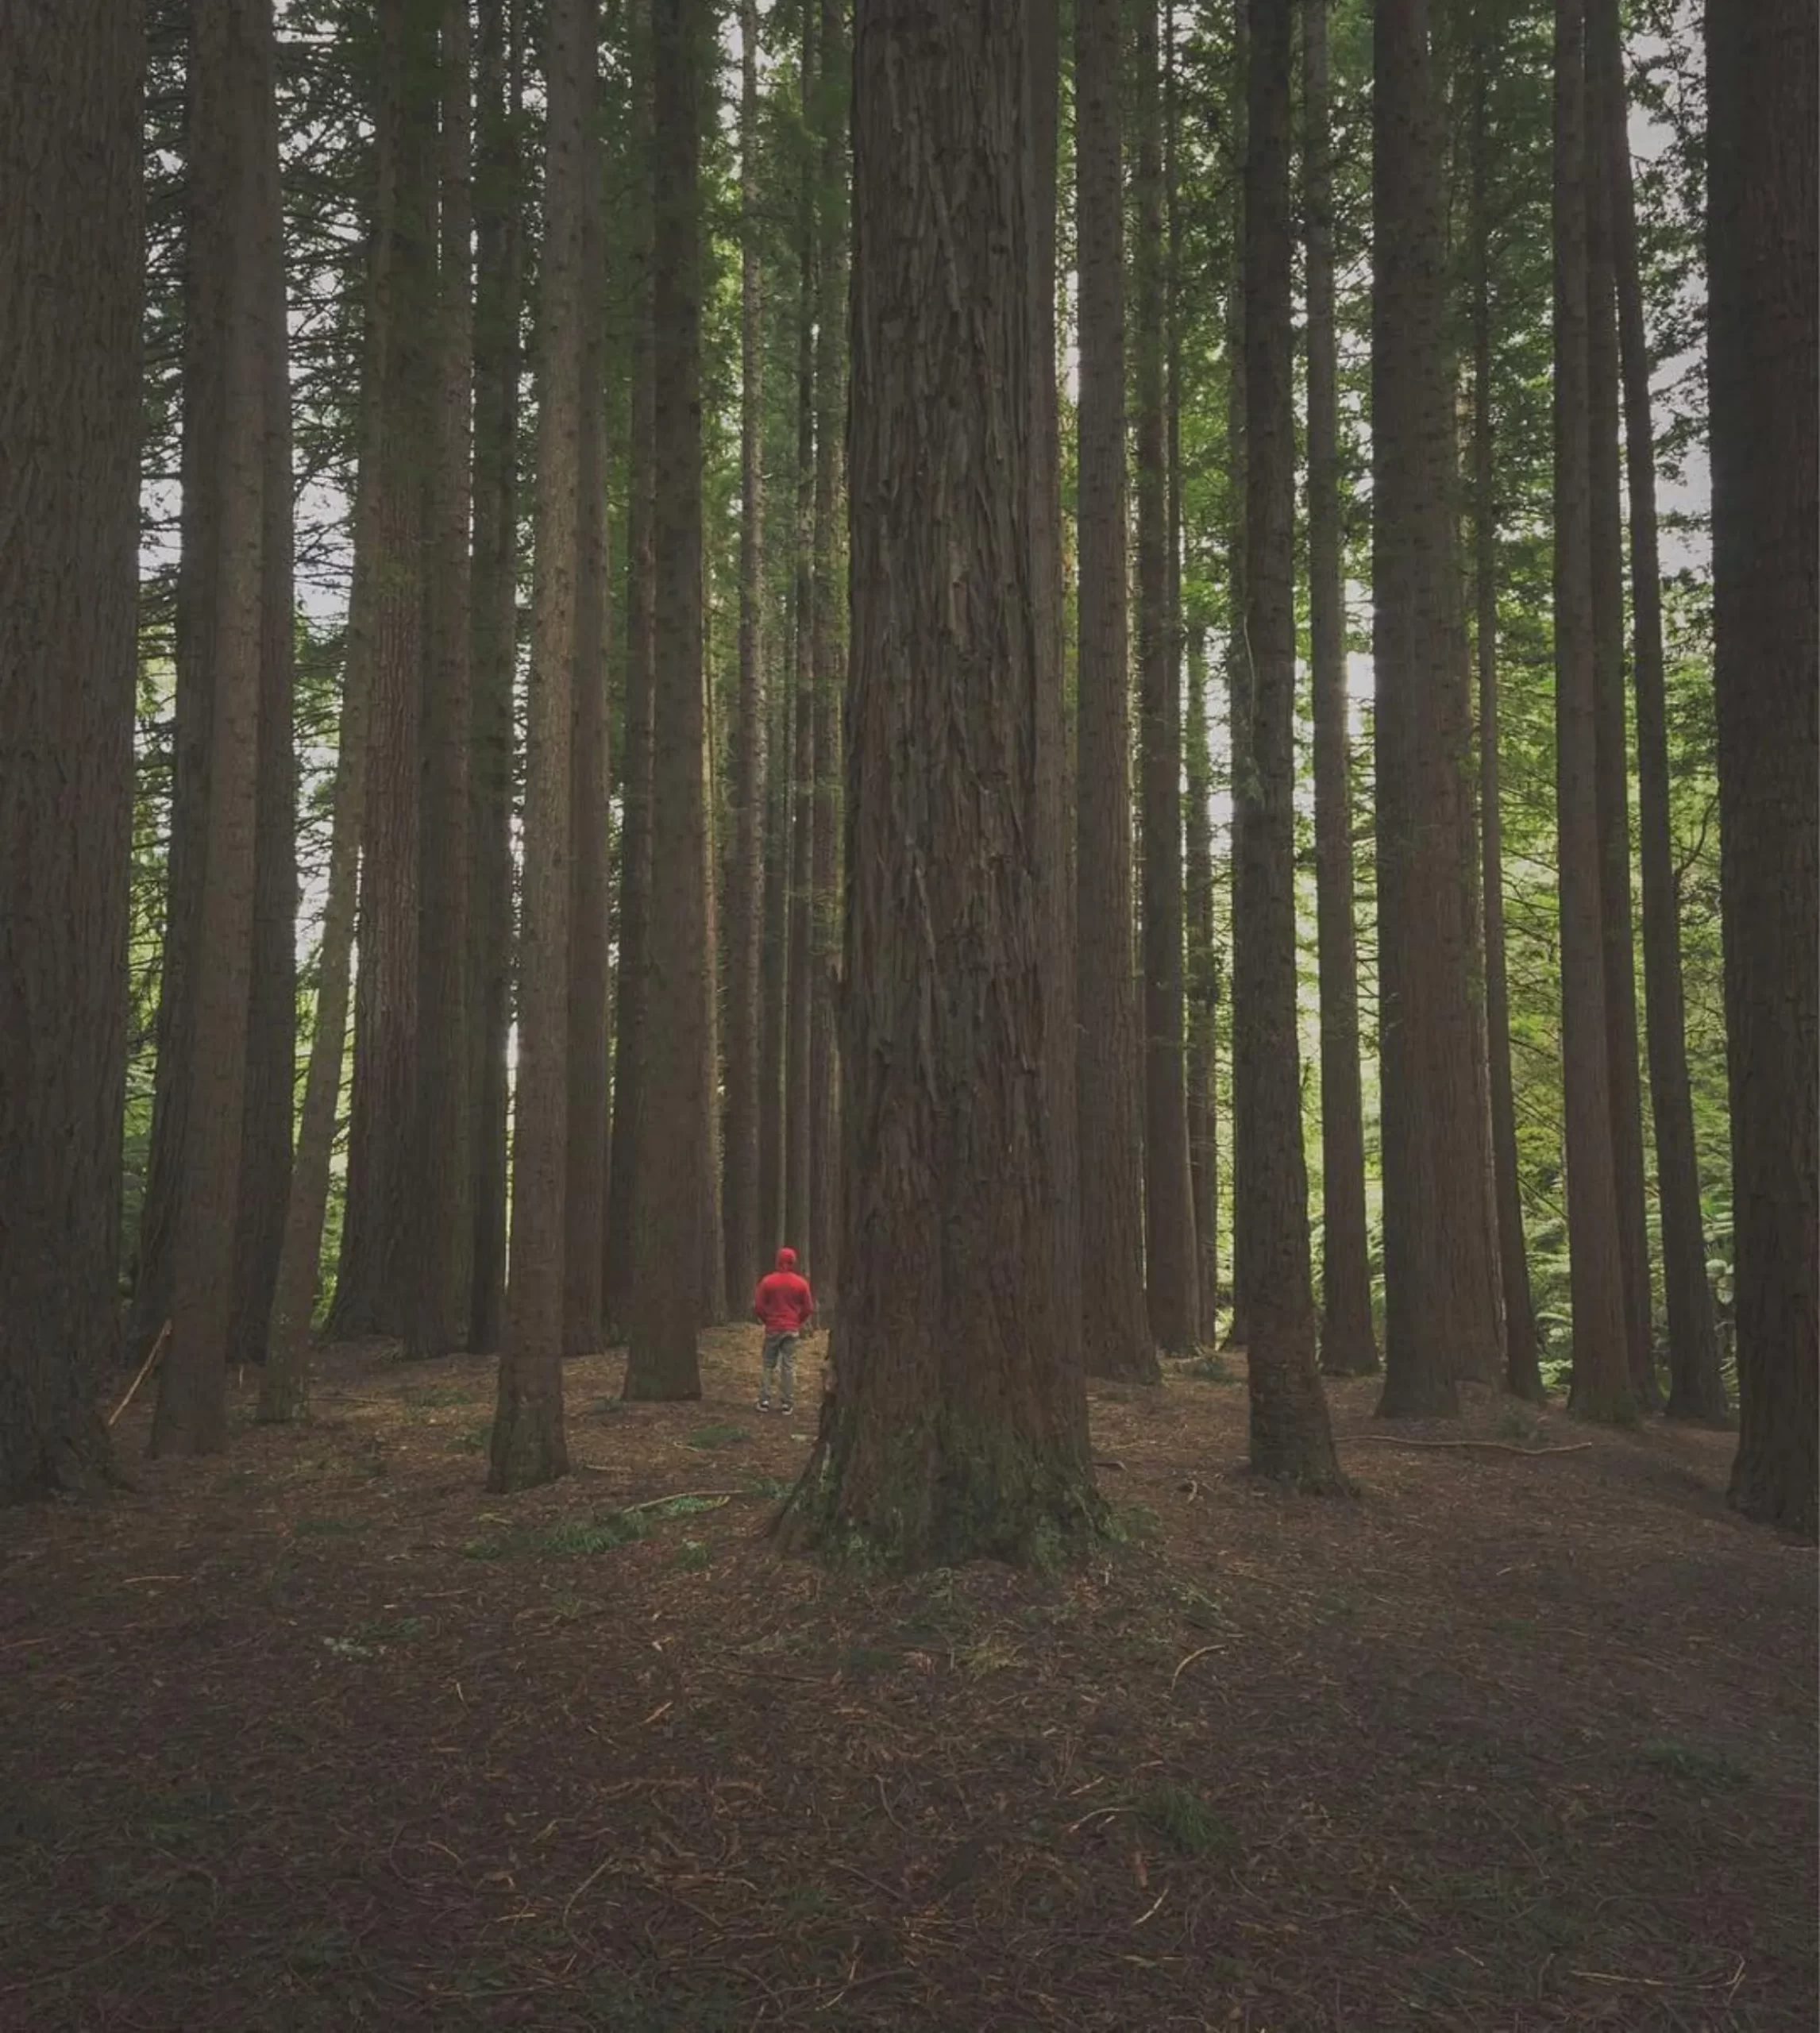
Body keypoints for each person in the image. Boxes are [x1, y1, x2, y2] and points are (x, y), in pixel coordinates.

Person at [752, 1246, 814, 1414]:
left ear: (777, 1261)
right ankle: (787, 1403)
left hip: (773, 1328)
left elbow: (758, 1305)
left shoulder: (767, 1282)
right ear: (793, 1262)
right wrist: (796, 1321)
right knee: (789, 1365)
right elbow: (808, 1307)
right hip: (791, 1329)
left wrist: (767, 1320)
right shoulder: (801, 1283)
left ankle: (764, 1400)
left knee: (768, 1364)